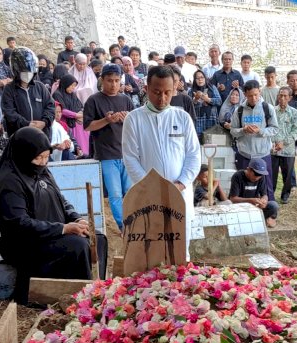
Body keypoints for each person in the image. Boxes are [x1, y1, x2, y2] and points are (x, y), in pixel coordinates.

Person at [0, 127, 107, 304]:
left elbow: (61, 201)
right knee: (78, 245)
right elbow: (19, 224)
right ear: (23, 155)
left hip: (51, 234)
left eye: (46, 157)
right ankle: (76, 298)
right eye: (38, 158)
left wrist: (77, 219)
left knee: (98, 237)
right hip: (25, 243)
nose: (44, 163)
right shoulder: (9, 182)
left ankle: (96, 289)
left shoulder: (42, 171)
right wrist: (63, 228)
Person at [122, 65, 201, 260]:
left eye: (167, 92)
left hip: (180, 192)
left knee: (181, 245)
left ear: (174, 89)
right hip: (148, 195)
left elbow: (193, 155)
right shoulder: (134, 119)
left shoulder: (182, 117)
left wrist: (180, 184)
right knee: (152, 245)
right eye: (157, 92)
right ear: (147, 88)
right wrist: (151, 187)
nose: (162, 98)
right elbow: (130, 158)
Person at [83, 64, 135, 230]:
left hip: (126, 153)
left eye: (117, 80)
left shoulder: (125, 99)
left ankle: (134, 223)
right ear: (102, 80)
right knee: (115, 194)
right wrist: (107, 120)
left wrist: (128, 119)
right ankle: (123, 226)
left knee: (130, 192)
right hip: (106, 154)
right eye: (109, 80)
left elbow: (136, 124)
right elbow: (88, 126)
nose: (113, 84)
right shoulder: (94, 100)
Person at [230, 80, 278, 204]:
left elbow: (275, 129)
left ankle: (270, 212)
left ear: (259, 92)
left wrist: (261, 131)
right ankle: (244, 211)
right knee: (243, 185)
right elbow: (233, 131)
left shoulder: (267, 108)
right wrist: (243, 130)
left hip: (262, 153)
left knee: (267, 184)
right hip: (245, 154)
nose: (254, 98)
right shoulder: (239, 110)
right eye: (250, 95)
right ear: (245, 94)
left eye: (256, 94)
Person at [2, 47, 55, 139]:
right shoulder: (9, 89)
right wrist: (27, 124)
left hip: (41, 135)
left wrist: (44, 122)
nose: (27, 74)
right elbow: (9, 112)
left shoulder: (40, 87)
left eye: (30, 71)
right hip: (20, 137)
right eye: (24, 72)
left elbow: (50, 107)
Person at [271, 87, 297, 204]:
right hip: (273, 149)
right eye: (280, 95)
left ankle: (285, 194)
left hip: (288, 149)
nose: (282, 98)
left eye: (285, 96)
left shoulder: (294, 112)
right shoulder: (272, 110)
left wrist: (284, 143)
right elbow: (269, 127)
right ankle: (270, 193)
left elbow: (296, 130)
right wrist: (275, 142)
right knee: (272, 173)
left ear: (290, 98)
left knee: (287, 174)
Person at [229, 158, 279, 228]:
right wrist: (250, 200)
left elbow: (264, 195)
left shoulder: (261, 177)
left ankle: (263, 219)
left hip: (255, 206)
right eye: (256, 174)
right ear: (248, 169)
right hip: (240, 207)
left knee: (274, 205)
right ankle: (259, 220)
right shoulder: (237, 176)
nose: (257, 177)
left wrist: (264, 201)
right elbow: (233, 199)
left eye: (260, 175)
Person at [52, 74, 89, 156]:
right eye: (71, 85)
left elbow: (80, 106)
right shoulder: (57, 94)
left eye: (74, 86)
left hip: (78, 123)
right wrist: (76, 115)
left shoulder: (73, 94)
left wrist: (81, 113)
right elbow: (62, 110)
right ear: (66, 84)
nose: (73, 88)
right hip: (67, 123)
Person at [188, 69, 222, 141]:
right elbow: (189, 107)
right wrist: (195, 99)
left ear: (205, 78)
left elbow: (219, 101)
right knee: (198, 141)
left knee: (212, 143)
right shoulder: (191, 91)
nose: (200, 80)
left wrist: (208, 99)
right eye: (197, 78)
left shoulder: (212, 88)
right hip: (198, 121)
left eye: (202, 77)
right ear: (194, 80)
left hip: (211, 119)